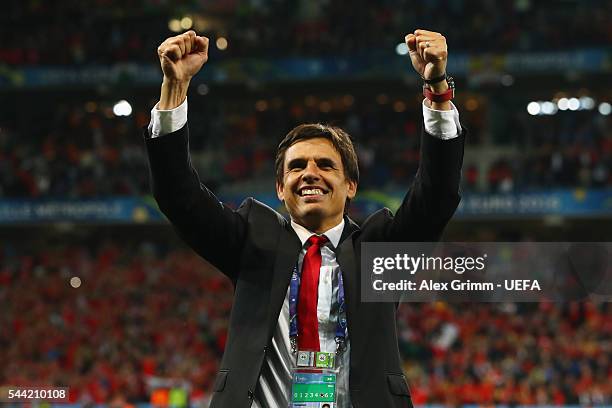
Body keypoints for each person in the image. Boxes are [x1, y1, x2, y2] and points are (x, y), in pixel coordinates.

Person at [144, 29, 465, 408]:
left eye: (325, 165)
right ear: (280, 188)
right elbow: (177, 196)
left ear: (350, 186)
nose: (309, 173)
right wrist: (174, 90)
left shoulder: (379, 254)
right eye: (296, 167)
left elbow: (438, 194)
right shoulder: (251, 243)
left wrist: (436, 88)